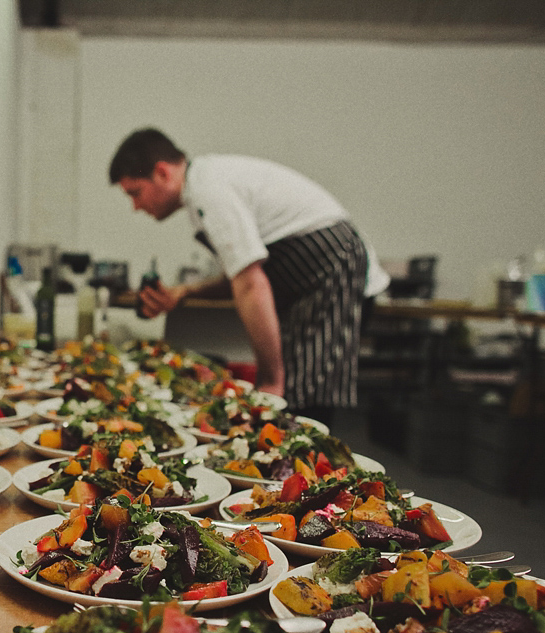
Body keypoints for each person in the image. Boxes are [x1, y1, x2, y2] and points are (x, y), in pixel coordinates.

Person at [109, 128, 373, 425]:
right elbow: (240, 279)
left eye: (135, 193)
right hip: (309, 280)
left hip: (332, 269)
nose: (135, 206)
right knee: (289, 400)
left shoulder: (209, 190)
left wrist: (270, 380)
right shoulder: (204, 184)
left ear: (162, 172)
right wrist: (182, 293)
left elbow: (250, 284)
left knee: (299, 401)